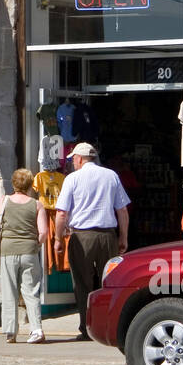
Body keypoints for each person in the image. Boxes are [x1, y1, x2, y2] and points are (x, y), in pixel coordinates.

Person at [53, 142, 129, 341]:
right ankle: (109, 327)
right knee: (109, 282)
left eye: (73, 160)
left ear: (79, 158)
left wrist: (57, 239)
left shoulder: (72, 179)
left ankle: (86, 328)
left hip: (82, 237)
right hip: (107, 236)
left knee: (82, 284)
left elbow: (61, 213)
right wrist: (123, 237)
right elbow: (122, 211)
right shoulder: (111, 176)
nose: (72, 164)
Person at [0, 168, 48, 344]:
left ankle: (10, 331)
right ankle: (36, 329)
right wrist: (35, 244)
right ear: (30, 184)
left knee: (9, 290)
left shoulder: (4, 201)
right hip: (29, 252)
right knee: (31, 291)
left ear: (14, 183)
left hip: (8, 251)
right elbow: (44, 233)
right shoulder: (37, 205)